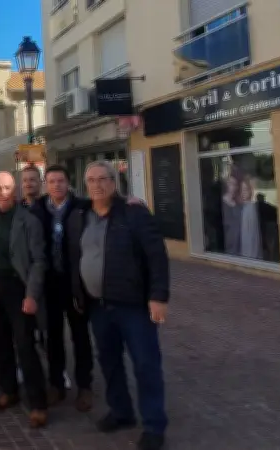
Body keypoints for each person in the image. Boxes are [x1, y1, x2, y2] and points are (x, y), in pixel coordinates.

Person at [66, 161, 170, 450]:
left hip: (133, 305)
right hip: (99, 305)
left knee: (146, 364)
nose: (97, 185)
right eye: (91, 180)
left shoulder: (134, 213)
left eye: (103, 179)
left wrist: (159, 296)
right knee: (109, 362)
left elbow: (156, 256)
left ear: (114, 182)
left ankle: (154, 426)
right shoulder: (82, 214)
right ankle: (121, 411)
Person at [0, 172, 48, 428]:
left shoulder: (28, 220)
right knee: (0, 342)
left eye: (8, 188)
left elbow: (39, 261)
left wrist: (31, 294)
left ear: (16, 190)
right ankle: (9, 391)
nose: (3, 193)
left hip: (17, 287)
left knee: (25, 346)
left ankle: (38, 404)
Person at [29, 165, 94, 411]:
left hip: (75, 281)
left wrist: (129, 201)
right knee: (53, 336)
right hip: (50, 283)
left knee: (80, 335)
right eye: (52, 181)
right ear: (46, 185)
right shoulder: (38, 209)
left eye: (60, 181)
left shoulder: (82, 207)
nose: (56, 185)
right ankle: (56, 384)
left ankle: (85, 386)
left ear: (68, 183)